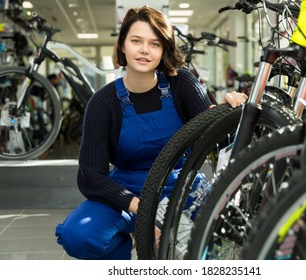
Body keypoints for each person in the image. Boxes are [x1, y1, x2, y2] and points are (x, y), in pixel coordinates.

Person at [55, 6, 247, 260]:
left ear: (163, 50)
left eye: (154, 44)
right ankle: (129, 245)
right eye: (136, 41)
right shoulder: (103, 103)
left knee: (217, 250)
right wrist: (142, 211)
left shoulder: (183, 84)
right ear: (122, 45)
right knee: (77, 235)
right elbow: (90, 177)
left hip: (180, 187)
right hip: (127, 194)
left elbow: (219, 142)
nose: (144, 50)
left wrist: (231, 114)